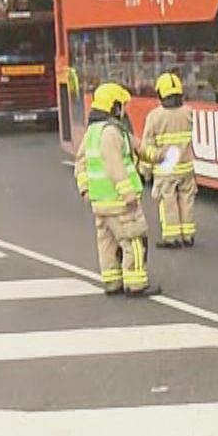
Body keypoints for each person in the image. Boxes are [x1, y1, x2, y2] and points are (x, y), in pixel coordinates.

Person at [75, 83, 159, 297]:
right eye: (121, 105)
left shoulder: (93, 133)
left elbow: (81, 164)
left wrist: (85, 189)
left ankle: (112, 282)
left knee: (107, 243)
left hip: (100, 202)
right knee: (134, 241)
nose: (124, 110)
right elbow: (115, 165)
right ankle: (136, 283)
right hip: (119, 202)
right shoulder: (111, 133)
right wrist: (128, 193)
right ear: (113, 107)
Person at [139, 71, 197, 247]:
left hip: (166, 168)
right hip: (186, 166)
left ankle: (172, 238)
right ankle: (188, 235)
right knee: (187, 200)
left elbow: (147, 147)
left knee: (168, 202)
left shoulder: (155, 116)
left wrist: (145, 170)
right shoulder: (188, 113)